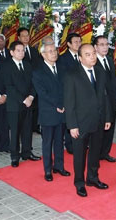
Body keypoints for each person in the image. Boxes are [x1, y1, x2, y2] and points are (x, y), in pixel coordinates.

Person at [64, 44, 112, 197]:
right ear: (80, 58)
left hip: (98, 120)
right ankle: (79, 183)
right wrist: (72, 125)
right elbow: (69, 102)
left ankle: (92, 178)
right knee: (79, 155)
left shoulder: (100, 71)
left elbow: (105, 97)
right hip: (80, 123)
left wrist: (107, 117)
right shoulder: (72, 75)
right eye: (88, 54)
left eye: (93, 53)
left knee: (95, 152)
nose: (92, 57)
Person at [32, 41, 70, 181]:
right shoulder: (38, 71)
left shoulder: (62, 68)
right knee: (47, 142)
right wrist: (57, 105)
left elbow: (66, 87)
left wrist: (64, 104)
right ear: (43, 54)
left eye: (55, 50)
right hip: (49, 112)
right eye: (50, 51)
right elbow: (42, 93)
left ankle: (59, 166)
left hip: (62, 110)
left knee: (60, 141)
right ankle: (48, 170)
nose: (54, 53)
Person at [1, 40, 40, 167]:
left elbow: (34, 83)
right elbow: (9, 87)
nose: (21, 52)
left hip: (29, 103)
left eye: (23, 50)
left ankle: (27, 152)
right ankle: (15, 156)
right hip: (15, 104)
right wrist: (24, 99)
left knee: (27, 129)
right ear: (11, 52)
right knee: (15, 131)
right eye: (18, 50)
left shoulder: (28, 65)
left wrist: (31, 97)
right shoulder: (6, 66)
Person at [93, 35, 116, 162]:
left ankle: (105, 152)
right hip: (100, 100)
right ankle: (96, 154)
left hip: (112, 99)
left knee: (111, 126)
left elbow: (114, 80)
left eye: (106, 44)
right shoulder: (93, 62)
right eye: (101, 45)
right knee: (99, 129)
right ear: (95, 47)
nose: (105, 47)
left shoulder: (109, 60)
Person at [57, 32, 82, 154]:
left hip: (82, 95)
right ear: (68, 44)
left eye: (79, 41)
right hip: (70, 94)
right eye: (76, 42)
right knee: (70, 119)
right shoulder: (62, 59)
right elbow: (63, 79)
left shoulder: (83, 57)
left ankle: (80, 141)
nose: (78, 44)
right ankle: (70, 144)